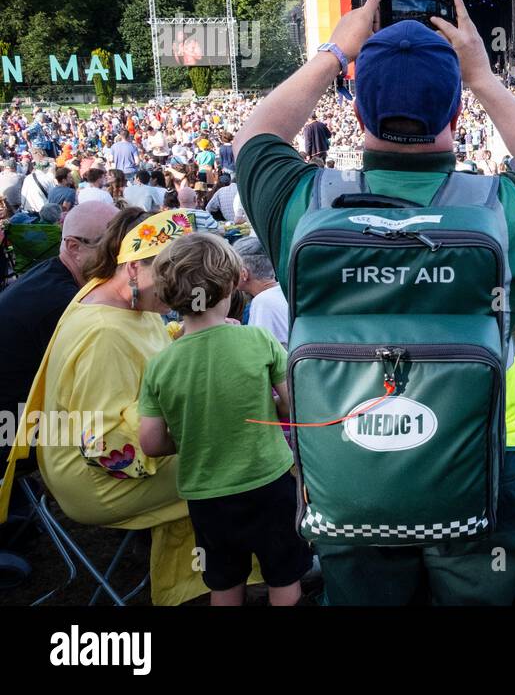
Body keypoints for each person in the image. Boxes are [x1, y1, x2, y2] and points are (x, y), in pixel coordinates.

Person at [233, 0, 515, 606]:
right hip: (481, 462)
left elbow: (255, 138)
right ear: (458, 112)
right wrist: (484, 77)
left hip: (350, 470)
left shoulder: (305, 204)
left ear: (356, 109)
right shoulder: (506, 210)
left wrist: (335, 52)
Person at [0, 208, 208, 606]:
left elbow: (147, 349)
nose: (181, 293)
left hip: (88, 454)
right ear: (133, 267)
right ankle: (252, 571)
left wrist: (192, 337)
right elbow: (109, 447)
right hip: (96, 477)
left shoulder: (119, 297)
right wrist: (200, 416)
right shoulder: (105, 331)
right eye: (172, 279)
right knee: (239, 463)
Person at [138, 234, 311, 605]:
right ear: (234, 281)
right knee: (284, 574)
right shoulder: (259, 340)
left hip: (207, 496)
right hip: (269, 483)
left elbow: (150, 442)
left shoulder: (160, 364)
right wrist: (268, 407)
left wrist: (191, 433)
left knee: (223, 581)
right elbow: (294, 404)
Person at [0, 201, 117, 464]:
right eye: (112, 246)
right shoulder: (63, 302)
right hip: (13, 432)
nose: (122, 256)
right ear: (74, 247)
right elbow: (94, 384)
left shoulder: (51, 274)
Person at [233, 236, 289, 345]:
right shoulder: (283, 291)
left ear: (244, 274)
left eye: (232, 268)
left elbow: (258, 348)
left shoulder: (263, 302)